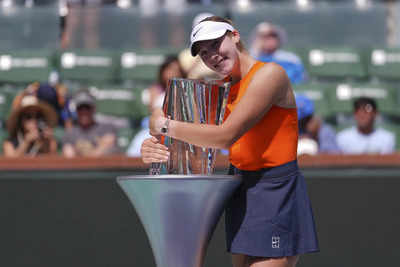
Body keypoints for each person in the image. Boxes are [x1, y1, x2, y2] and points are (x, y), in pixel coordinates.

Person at [142, 16, 319, 267]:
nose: (211, 55)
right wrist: (153, 144)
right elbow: (170, 123)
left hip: (275, 190)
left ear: (234, 35)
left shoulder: (270, 74)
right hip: (241, 189)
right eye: (203, 52)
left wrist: (164, 126)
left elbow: (226, 134)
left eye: (215, 44)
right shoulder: (221, 88)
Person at [62, 89, 119, 157]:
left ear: (93, 109)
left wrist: (84, 154)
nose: (84, 112)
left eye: (87, 108)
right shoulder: (70, 134)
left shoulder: (107, 128)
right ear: (76, 110)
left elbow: (110, 142)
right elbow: (69, 155)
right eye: (80, 108)